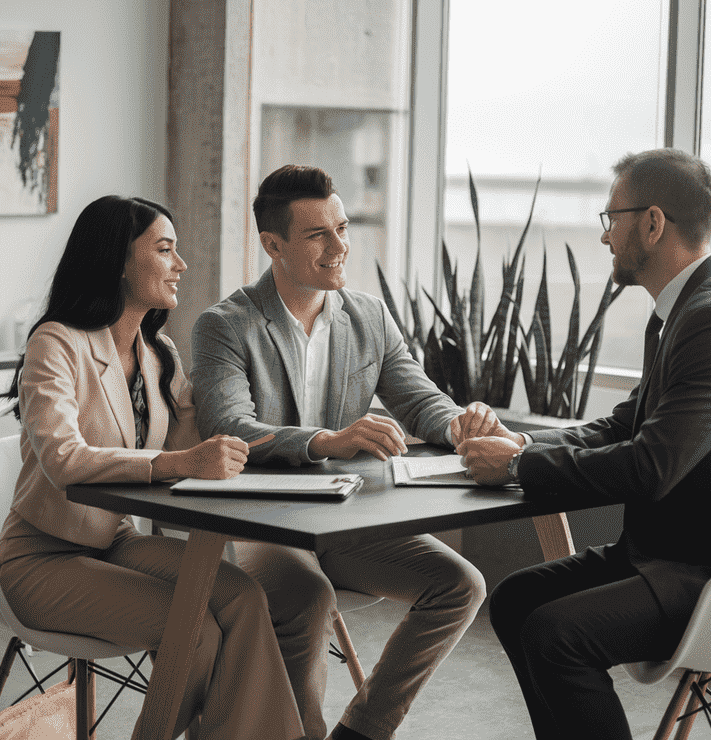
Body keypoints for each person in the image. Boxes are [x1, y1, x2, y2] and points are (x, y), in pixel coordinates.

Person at [457, 148, 711, 739]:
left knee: (556, 634)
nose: (605, 238)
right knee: (517, 600)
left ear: (652, 223)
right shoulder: (680, 312)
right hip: (669, 553)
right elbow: (625, 423)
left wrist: (521, 465)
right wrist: (521, 439)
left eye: (611, 220)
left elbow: (650, 466)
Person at [191, 165, 494, 740]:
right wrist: (327, 441)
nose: (340, 247)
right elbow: (230, 426)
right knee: (306, 597)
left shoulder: (368, 316)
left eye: (342, 227)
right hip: (260, 523)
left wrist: (463, 424)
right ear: (272, 245)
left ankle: (361, 731)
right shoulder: (224, 326)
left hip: (344, 522)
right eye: (317, 235)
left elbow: (420, 400)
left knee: (461, 585)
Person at [0, 196, 306, 740]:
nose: (181, 264)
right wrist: (178, 460)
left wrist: (266, 433)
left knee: (243, 596)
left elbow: (199, 448)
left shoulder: (159, 352)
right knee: (195, 631)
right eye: (165, 249)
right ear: (118, 261)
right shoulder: (56, 344)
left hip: (115, 543)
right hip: (40, 558)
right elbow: (62, 458)